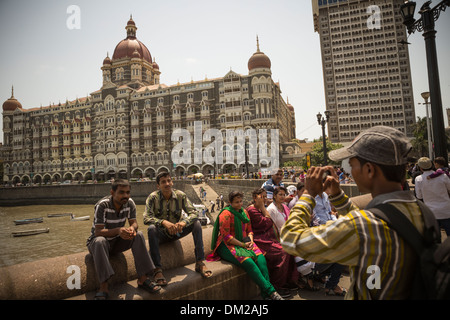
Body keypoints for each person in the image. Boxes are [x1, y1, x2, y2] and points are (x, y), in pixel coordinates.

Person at [281, 125, 435, 299]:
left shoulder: (365, 226)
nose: (349, 172)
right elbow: (371, 224)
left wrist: (308, 195)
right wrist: (338, 196)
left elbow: (290, 239)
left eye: (352, 165)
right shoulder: (421, 211)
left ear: (369, 170)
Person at [86, 179, 161, 300]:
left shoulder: (130, 203)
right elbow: (98, 232)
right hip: (98, 244)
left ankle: (143, 278)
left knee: (139, 235)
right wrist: (118, 230)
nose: (125, 196)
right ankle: (104, 286)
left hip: (116, 241)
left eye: (127, 192)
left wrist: (131, 229)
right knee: (100, 241)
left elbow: (135, 223)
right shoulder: (102, 205)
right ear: (112, 192)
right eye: (121, 192)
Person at [208, 191, 283, 300]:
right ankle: (272, 292)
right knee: (248, 262)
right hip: (227, 245)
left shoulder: (244, 212)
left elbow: (249, 230)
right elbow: (226, 236)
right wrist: (243, 244)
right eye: (236, 202)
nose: (239, 204)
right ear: (230, 202)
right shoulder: (226, 214)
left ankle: (265, 295)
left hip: (244, 242)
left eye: (241, 201)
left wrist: (251, 242)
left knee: (261, 258)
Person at [143, 172, 212, 286]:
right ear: (158, 186)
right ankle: (157, 270)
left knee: (196, 224)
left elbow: (194, 213)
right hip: (162, 235)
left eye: (169, 181)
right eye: (163, 182)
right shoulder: (153, 197)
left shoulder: (180, 195)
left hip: (177, 232)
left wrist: (184, 223)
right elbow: (146, 218)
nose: (167, 184)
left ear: (172, 182)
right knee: (151, 229)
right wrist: (163, 223)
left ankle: (200, 262)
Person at [246, 188, 299, 298]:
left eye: (266, 197)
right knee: (283, 252)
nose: (265, 199)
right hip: (260, 241)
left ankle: (289, 281)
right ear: (255, 198)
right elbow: (268, 222)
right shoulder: (253, 210)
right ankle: (277, 285)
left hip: (269, 239)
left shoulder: (261, 209)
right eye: (262, 197)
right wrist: (262, 207)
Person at [414, 157, 450, 237]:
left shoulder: (419, 179)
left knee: (436, 239)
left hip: (431, 212)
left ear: (420, 168)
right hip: (446, 211)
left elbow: (419, 196)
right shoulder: (443, 176)